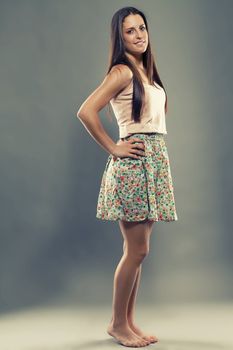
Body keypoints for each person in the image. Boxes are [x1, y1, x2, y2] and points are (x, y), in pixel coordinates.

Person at [77, 6, 178, 348]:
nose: (139, 35)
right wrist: (113, 147)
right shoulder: (122, 71)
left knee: (138, 251)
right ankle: (117, 323)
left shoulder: (146, 72)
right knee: (136, 251)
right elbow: (86, 111)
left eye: (142, 28)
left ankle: (128, 321)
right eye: (130, 31)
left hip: (152, 163)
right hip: (134, 166)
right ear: (119, 38)